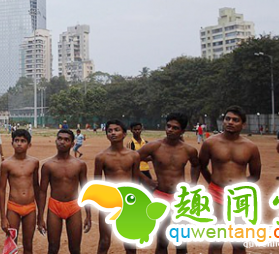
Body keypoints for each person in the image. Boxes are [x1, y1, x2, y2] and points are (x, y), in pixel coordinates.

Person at [199, 106, 261, 254]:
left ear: (243, 124)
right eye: (227, 119)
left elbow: (255, 175)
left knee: (239, 243)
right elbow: (202, 166)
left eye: (235, 120)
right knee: (216, 241)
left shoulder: (251, 147)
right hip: (217, 193)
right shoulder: (210, 143)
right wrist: (213, 182)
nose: (230, 122)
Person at [137, 113, 199, 254]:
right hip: (160, 196)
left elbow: (196, 165)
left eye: (175, 128)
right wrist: (146, 180)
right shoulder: (154, 146)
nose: (170, 130)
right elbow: (132, 160)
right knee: (162, 241)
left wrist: (193, 183)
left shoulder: (189, 150)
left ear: (182, 131)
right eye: (168, 126)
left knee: (181, 243)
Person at [37, 129, 91, 254]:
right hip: (55, 207)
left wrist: (88, 214)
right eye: (60, 139)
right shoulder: (48, 165)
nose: (62, 142)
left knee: (75, 249)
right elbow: (42, 192)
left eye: (66, 140)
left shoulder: (79, 165)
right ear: (56, 141)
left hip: (74, 207)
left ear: (72, 144)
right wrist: (40, 217)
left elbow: (85, 189)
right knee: (53, 248)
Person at [94, 120, 140, 254]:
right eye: (110, 131)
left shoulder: (134, 155)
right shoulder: (101, 157)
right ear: (107, 135)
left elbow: (136, 182)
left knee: (130, 243)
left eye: (117, 130)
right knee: (104, 242)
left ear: (124, 134)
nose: (113, 133)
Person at [0, 129, 40, 254]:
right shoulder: (6, 164)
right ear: (12, 143)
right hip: (13, 207)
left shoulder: (34, 162)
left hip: (30, 207)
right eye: (16, 140)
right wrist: (3, 217)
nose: (19, 144)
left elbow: (36, 187)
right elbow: (1, 190)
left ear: (29, 144)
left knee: (28, 244)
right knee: (11, 242)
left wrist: (41, 212)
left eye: (23, 141)